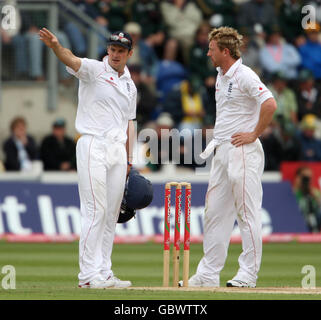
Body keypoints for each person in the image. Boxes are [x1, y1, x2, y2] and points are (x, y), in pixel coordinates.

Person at [39, 28, 137, 289]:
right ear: (108, 50)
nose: (115, 54)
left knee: (112, 213)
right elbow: (71, 59)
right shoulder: (95, 70)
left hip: (118, 149)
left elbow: (131, 123)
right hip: (93, 143)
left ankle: (104, 271)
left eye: (121, 51)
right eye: (113, 49)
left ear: (129, 53)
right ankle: (87, 276)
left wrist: (130, 160)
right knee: (96, 209)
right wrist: (56, 46)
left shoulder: (130, 84)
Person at [181, 27, 277, 288]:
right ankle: (208, 274)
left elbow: (270, 104)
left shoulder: (244, 75)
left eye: (211, 49)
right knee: (214, 214)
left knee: (247, 212)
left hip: (242, 151)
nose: (207, 52)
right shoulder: (221, 75)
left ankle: (248, 274)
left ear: (225, 51)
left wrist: (254, 134)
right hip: (222, 151)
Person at [294, 166, 321, 233]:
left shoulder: (315, 192)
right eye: (304, 178)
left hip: (314, 222)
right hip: (298, 222)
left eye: (309, 178)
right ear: (298, 178)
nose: (307, 181)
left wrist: (313, 194)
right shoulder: (292, 192)